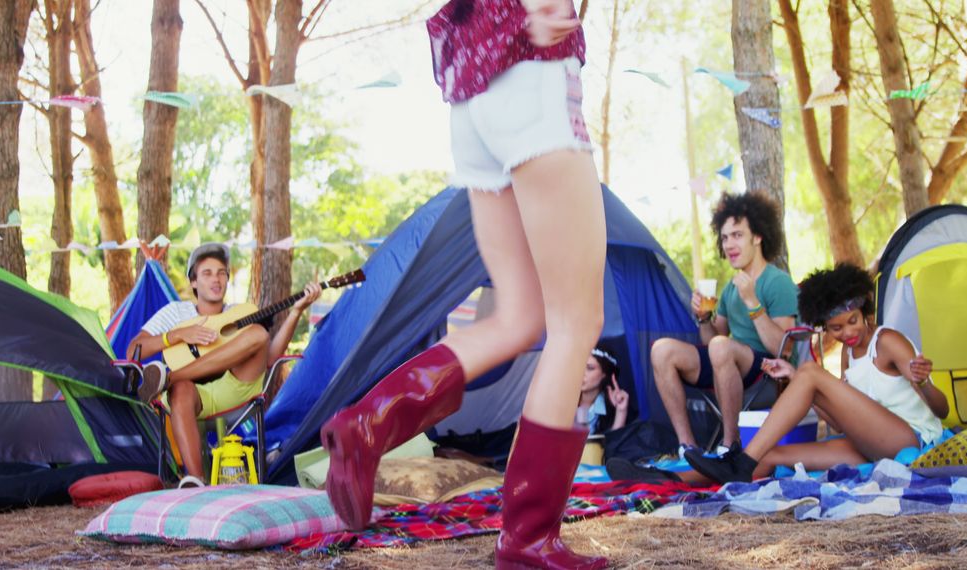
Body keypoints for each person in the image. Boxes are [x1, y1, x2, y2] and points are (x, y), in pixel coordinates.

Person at [319, 1, 608, 568]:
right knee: (577, 323)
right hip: (532, 72)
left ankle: (368, 420)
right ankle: (528, 538)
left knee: (518, 317)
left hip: (474, 91)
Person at [685, 263, 950, 484]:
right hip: (870, 446)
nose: (847, 333)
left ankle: (741, 461)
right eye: (836, 328)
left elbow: (943, 410)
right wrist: (793, 378)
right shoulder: (848, 354)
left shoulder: (888, 342)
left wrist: (923, 382)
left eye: (853, 321)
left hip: (909, 442)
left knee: (810, 372)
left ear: (865, 312)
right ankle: (673, 479)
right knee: (769, 455)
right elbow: (837, 423)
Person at [128, 242, 322, 489]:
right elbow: (133, 349)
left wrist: (296, 312)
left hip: (234, 389)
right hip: (189, 394)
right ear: (194, 282)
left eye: (222, 273)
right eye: (207, 273)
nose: (216, 279)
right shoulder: (175, 313)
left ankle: (170, 377)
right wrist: (177, 336)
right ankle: (196, 482)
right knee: (181, 390)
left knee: (258, 335)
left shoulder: (239, 313)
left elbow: (270, 357)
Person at [651, 191, 799, 460]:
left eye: (738, 235)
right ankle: (688, 448)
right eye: (725, 237)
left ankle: (730, 444)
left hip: (767, 375)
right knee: (662, 350)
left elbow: (784, 349)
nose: (729, 243)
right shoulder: (732, 287)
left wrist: (753, 303)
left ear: (757, 236)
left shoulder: (777, 282)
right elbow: (713, 342)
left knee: (722, 347)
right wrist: (704, 318)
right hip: (730, 368)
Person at [578, 348, 628, 435]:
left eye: (590, 368)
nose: (582, 373)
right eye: (580, 366)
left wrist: (621, 411)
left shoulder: (611, 406)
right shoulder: (564, 401)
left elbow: (614, 444)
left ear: (605, 374)